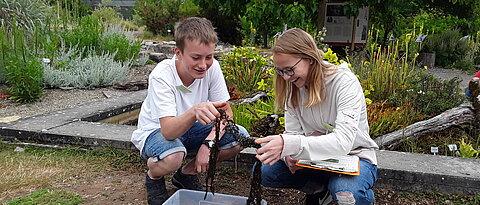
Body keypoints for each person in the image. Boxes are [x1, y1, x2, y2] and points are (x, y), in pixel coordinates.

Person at [131, 17, 248, 205]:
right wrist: (194, 111)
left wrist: (209, 144)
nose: (203, 65)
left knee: (239, 136)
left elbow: (226, 114)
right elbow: (168, 131)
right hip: (156, 132)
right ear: (178, 53)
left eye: (208, 57)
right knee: (173, 156)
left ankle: (186, 174)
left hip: (192, 130)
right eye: (196, 57)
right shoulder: (162, 75)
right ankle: (153, 175)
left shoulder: (212, 68)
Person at [255, 28, 379, 205]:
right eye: (280, 71)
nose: (285, 78)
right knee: (264, 171)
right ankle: (319, 190)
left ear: (310, 59)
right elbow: (293, 134)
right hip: (312, 159)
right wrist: (288, 155)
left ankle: (363, 200)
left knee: (347, 194)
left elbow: (343, 142)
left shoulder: (344, 82)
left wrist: (291, 145)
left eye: (289, 70)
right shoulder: (293, 87)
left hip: (354, 157)